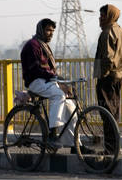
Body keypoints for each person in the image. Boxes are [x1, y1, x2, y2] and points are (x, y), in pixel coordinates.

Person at [20, 18, 91, 153]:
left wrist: (60, 80)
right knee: (58, 95)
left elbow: (50, 71)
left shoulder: (43, 45)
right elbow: (37, 70)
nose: (50, 34)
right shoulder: (33, 45)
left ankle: (75, 145)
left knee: (70, 107)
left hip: (46, 80)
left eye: (52, 31)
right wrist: (56, 79)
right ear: (40, 30)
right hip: (36, 81)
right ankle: (52, 135)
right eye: (48, 30)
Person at [94, 4, 122, 154]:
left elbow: (108, 59)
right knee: (114, 112)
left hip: (108, 78)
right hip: (120, 76)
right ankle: (116, 147)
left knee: (106, 113)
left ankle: (110, 149)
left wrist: (102, 75)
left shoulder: (107, 32)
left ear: (110, 16)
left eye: (103, 15)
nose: (100, 18)